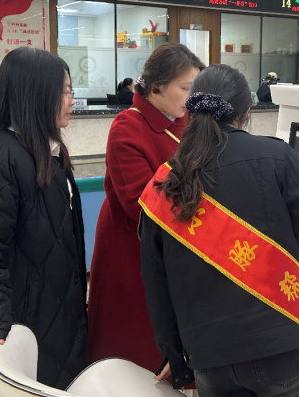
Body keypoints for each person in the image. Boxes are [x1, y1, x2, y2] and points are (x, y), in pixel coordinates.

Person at [139, 64, 299, 396]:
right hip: (278, 343)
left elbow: (156, 281)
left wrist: (175, 352)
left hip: (208, 356)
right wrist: (283, 261)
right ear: (245, 114)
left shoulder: (165, 182)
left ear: (192, 112)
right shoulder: (276, 156)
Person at [0, 47, 88, 390]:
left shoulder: (46, 152)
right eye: (65, 91)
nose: (72, 100)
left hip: (50, 312)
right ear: (36, 95)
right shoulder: (1, 160)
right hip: (18, 322)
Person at [88, 42, 205, 369]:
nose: (191, 97)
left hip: (178, 247)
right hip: (134, 249)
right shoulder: (127, 127)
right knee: (134, 350)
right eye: (185, 88)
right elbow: (141, 206)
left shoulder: (190, 121)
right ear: (156, 88)